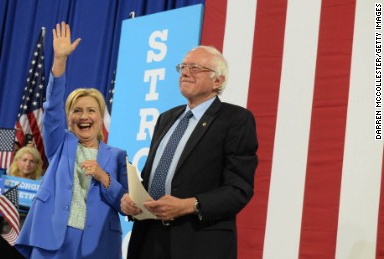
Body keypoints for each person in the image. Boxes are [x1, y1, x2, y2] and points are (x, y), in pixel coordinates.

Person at [120, 45, 259, 259]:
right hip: (148, 239)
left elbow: (239, 189)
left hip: (198, 243)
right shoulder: (166, 118)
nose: (185, 72)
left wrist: (189, 205)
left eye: (195, 67)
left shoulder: (235, 119)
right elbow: (152, 177)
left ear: (218, 80)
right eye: (183, 67)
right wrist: (134, 201)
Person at [15, 22, 128, 259]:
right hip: (52, 240)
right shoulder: (60, 142)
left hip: (97, 245)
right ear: (68, 118)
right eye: (77, 110)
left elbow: (126, 204)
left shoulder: (117, 155)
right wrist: (59, 61)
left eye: (91, 110)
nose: (84, 116)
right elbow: (53, 106)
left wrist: (103, 177)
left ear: (100, 117)